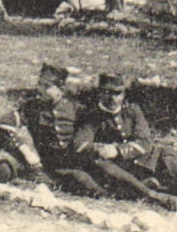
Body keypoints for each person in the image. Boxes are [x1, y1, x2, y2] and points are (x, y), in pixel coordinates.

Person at [73, 73, 177, 210]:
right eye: (108, 92)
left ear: (124, 94)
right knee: (101, 163)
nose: (113, 99)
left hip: (148, 161)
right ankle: (156, 195)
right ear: (100, 92)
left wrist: (118, 150)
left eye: (117, 93)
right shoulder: (92, 116)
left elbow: (144, 141)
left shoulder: (132, 111)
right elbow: (80, 144)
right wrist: (102, 149)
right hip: (123, 171)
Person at [16, 64, 108, 197]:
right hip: (50, 164)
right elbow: (11, 121)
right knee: (81, 178)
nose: (39, 89)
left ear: (61, 89)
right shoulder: (32, 107)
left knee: (104, 169)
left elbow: (90, 126)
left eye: (46, 86)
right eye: (39, 84)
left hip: (72, 158)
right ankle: (103, 196)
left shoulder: (73, 107)